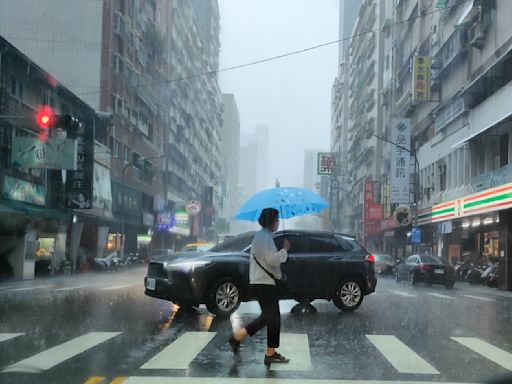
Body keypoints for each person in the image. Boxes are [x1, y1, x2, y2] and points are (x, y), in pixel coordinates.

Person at [228, 207, 291, 367]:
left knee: (268, 318)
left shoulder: (264, 236)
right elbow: (272, 259)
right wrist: (284, 250)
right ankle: (268, 353)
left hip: (262, 283)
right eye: (276, 220)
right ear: (271, 221)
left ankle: (239, 338)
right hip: (264, 284)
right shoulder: (264, 237)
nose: (277, 223)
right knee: (273, 318)